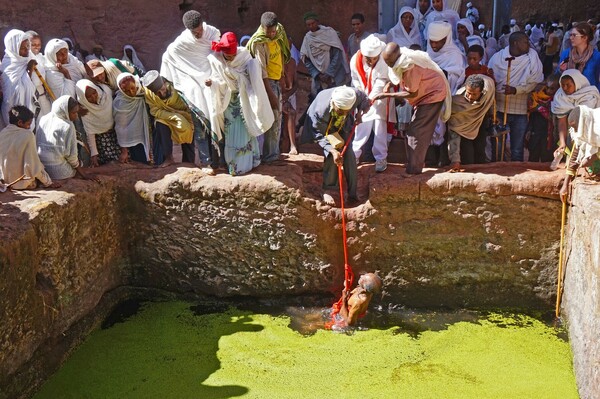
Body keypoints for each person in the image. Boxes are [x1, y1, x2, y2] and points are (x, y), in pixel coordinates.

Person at [374, 43, 451, 175]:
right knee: (411, 132)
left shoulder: (409, 66)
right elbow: (399, 75)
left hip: (433, 95)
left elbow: (412, 93)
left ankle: (414, 170)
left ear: (395, 58)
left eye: (389, 62)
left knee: (416, 132)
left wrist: (387, 95)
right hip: (424, 94)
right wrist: (390, 83)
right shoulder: (401, 57)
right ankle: (413, 164)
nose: (388, 65)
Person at [207, 32, 274, 176]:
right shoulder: (216, 60)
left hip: (243, 100)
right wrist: (212, 83)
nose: (230, 58)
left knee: (245, 129)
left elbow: (253, 79)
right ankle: (234, 166)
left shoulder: (245, 57)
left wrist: (242, 79)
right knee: (231, 131)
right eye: (228, 56)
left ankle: (248, 163)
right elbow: (217, 78)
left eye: (232, 55)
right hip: (228, 102)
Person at [160, 10, 221, 167]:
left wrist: (213, 77)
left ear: (203, 24)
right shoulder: (183, 41)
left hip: (212, 85)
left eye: (200, 29)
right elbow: (167, 57)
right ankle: (206, 163)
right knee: (200, 128)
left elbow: (217, 57)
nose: (198, 33)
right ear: (189, 30)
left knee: (217, 122)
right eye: (195, 32)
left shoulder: (213, 33)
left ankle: (219, 161)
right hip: (195, 89)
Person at [303, 86, 369, 205]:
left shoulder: (353, 95)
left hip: (343, 124)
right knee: (332, 154)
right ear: (334, 103)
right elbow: (318, 134)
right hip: (325, 126)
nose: (343, 113)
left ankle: (352, 193)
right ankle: (328, 189)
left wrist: (359, 113)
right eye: (340, 111)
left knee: (349, 154)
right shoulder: (320, 111)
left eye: (346, 111)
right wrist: (332, 151)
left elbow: (364, 99)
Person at [488, 31, 543, 162]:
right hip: (500, 109)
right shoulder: (497, 58)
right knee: (497, 147)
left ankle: (517, 177)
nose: (528, 44)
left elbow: (534, 81)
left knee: (517, 149)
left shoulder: (532, 58)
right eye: (525, 42)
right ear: (515, 43)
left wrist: (515, 90)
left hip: (520, 110)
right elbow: (490, 80)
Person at [246, 11, 291, 163]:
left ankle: (273, 154)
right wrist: (270, 94)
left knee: (277, 119)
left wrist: (283, 76)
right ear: (262, 27)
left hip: (277, 80)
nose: (271, 34)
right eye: (268, 31)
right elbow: (262, 71)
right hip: (267, 83)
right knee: (271, 118)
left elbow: (281, 57)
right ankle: (269, 157)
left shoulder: (279, 34)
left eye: (273, 31)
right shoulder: (259, 42)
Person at [350, 34, 393, 172]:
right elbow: (355, 80)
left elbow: (381, 81)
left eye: (375, 59)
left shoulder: (383, 61)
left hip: (378, 98)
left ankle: (381, 158)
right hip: (362, 96)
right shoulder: (354, 61)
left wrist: (371, 99)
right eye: (369, 59)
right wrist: (363, 98)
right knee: (361, 125)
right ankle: (354, 155)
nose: (372, 61)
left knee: (380, 127)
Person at [141, 70, 196, 167]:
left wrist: (180, 116)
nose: (161, 93)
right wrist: (174, 116)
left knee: (188, 128)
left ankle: (189, 162)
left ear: (164, 83)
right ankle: (168, 158)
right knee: (159, 123)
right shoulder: (149, 94)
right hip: (165, 115)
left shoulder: (176, 85)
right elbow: (155, 110)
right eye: (157, 93)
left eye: (162, 89)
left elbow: (190, 104)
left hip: (186, 115)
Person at [0, 106, 60, 189]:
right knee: (39, 165)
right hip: (21, 183)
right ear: (20, 122)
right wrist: (48, 182)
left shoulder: (2, 133)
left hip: (5, 181)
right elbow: (33, 165)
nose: (29, 127)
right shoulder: (28, 135)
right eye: (28, 124)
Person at [447, 74, 495, 171]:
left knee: (480, 149)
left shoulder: (488, 91)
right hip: (464, 129)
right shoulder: (456, 102)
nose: (470, 96)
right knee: (467, 156)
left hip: (481, 118)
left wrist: (492, 113)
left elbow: (491, 99)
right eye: (468, 93)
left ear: (481, 92)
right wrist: (455, 160)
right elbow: (454, 130)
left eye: (474, 94)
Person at [36, 96, 91, 180]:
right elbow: (71, 157)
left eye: (77, 112)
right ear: (65, 111)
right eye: (73, 113)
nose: (76, 116)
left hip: (42, 166)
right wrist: (83, 174)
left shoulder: (44, 118)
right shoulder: (68, 126)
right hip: (58, 170)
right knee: (80, 165)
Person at [551, 69, 600, 156]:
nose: (565, 88)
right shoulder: (560, 97)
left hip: (589, 135)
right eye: (562, 85)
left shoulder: (589, 95)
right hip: (570, 136)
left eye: (568, 85)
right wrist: (562, 143)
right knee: (572, 160)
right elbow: (562, 122)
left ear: (577, 83)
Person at [300, 12, 350, 97]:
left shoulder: (329, 33)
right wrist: (317, 74)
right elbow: (306, 59)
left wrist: (328, 73)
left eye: (313, 23)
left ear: (317, 22)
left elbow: (337, 55)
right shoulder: (307, 39)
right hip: (319, 78)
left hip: (335, 76)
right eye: (308, 25)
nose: (311, 26)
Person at [559, 105, 600, 202]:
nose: (576, 131)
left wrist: (594, 157)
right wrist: (565, 185)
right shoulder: (582, 130)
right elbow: (575, 155)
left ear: (583, 123)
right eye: (573, 128)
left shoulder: (597, 125)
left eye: (576, 127)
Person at [76, 79, 119, 166]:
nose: (93, 97)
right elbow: (90, 131)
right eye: (88, 96)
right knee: (110, 165)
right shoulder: (84, 108)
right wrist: (94, 153)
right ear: (83, 98)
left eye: (94, 92)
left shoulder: (106, 92)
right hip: (102, 140)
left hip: (117, 134)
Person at [0, 29, 38, 128]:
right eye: (22, 48)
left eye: (28, 46)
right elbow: (10, 97)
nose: (27, 50)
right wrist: (29, 70)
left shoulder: (30, 59)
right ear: (14, 48)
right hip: (13, 119)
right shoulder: (8, 68)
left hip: (28, 119)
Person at [113, 73, 152, 164]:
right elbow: (120, 127)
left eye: (132, 88)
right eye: (126, 91)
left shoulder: (143, 93)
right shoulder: (120, 103)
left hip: (149, 135)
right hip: (132, 141)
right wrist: (124, 150)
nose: (131, 93)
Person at [557, 22, 600, 91]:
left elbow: (598, 81)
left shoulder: (596, 57)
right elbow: (558, 76)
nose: (571, 38)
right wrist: (561, 70)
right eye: (570, 35)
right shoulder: (566, 54)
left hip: (588, 96)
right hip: (568, 94)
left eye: (574, 35)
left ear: (585, 37)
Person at [527, 73, 560, 162]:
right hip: (535, 134)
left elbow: (553, 118)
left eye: (552, 88)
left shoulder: (559, 102)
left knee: (547, 160)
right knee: (533, 159)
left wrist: (539, 108)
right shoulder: (535, 98)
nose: (549, 90)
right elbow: (531, 116)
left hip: (550, 136)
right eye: (547, 87)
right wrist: (529, 130)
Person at [25, 31, 52, 120]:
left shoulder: (41, 57)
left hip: (43, 92)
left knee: (49, 116)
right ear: (27, 45)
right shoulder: (26, 58)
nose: (37, 47)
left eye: (38, 44)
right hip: (32, 94)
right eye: (33, 44)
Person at [281, 35, 300, 155]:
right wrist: (282, 97)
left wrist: (288, 94)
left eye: (289, 46)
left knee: (291, 114)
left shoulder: (292, 62)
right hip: (278, 95)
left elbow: (296, 83)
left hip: (289, 94)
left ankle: (292, 145)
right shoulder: (276, 61)